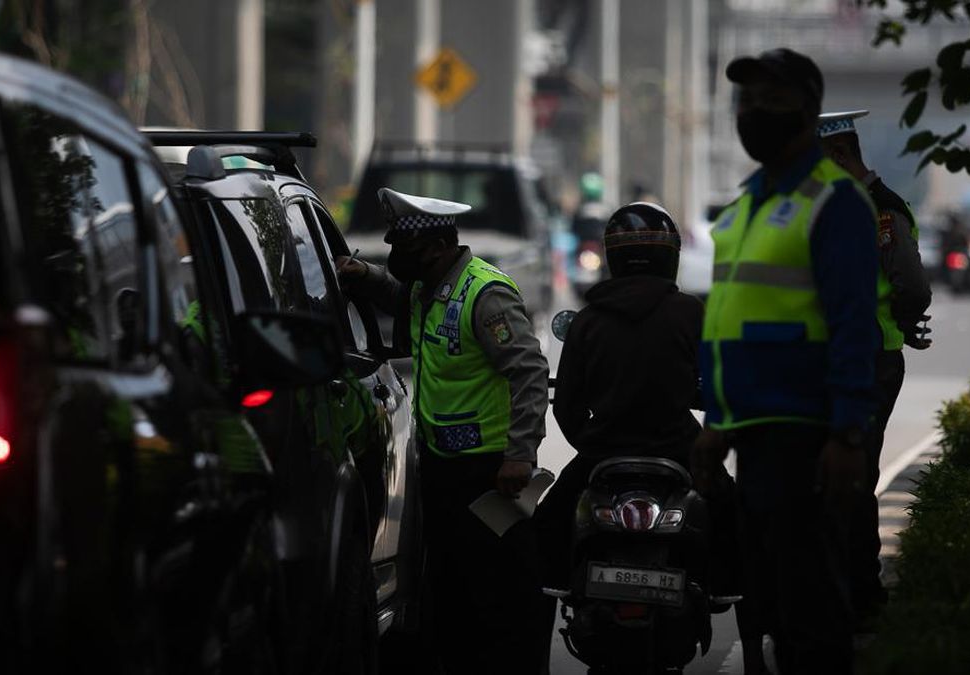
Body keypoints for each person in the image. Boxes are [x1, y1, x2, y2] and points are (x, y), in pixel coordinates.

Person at [692, 48, 878, 674]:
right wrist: (718, 419)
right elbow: (728, 320)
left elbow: (854, 322)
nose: (753, 113)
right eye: (745, 101)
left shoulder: (836, 201)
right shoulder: (746, 203)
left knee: (811, 612)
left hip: (807, 435)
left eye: (771, 99)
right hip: (754, 437)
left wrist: (849, 431)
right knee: (767, 605)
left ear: (806, 109)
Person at [335, 187, 550, 675]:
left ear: (433, 248)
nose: (393, 258)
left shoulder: (485, 293)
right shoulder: (428, 287)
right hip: (443, 472)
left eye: (401, 250)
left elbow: (529, 372)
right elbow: (400, 295)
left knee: (500, 598)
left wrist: (520, 455)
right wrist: (363, 276)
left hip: (491, 476)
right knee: (451, 591)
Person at [534, 202, 723, 666]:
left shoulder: (589, 320)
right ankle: (728, 590)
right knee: (736, 513)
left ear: (612, 256)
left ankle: (540, 619)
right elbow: (719, 390)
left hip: (604, 455)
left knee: (542, 533)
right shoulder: (690, 314)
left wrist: (595, 448)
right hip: (678, 449)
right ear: (670, 255)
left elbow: (567, 405)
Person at [818, 110, 934, 631]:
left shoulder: (880, 211)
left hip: (869, 362)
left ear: (840, 156)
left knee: (855, 474)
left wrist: (901, 322)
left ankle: (861, 595)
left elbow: (911, 286)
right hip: (839, 361)